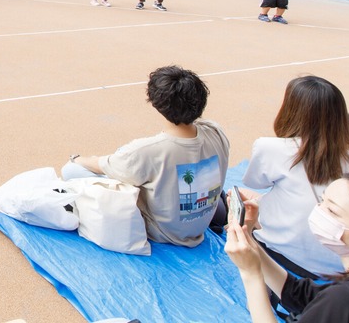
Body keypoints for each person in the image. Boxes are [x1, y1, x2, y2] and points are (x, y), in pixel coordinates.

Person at [63, 64, 230, 247]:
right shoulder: (216, 131)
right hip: (200, 223)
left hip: (163, 233)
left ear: (156, 103)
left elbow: (100, 164)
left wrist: (77, 158)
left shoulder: (148, 150)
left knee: (71, 171)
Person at [242, 76, 349, 277]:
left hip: (281, 252)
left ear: (291, 110)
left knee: (239, 198)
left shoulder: (270, 148)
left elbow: (256, 182)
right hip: (344, 264)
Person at [226, 173, 349, 323]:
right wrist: (250, 241)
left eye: (332, 211)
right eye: (322, 201)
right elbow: (300, 295)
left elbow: (333, 302)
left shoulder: (346, 300)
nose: (319, 211)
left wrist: (250, 274)